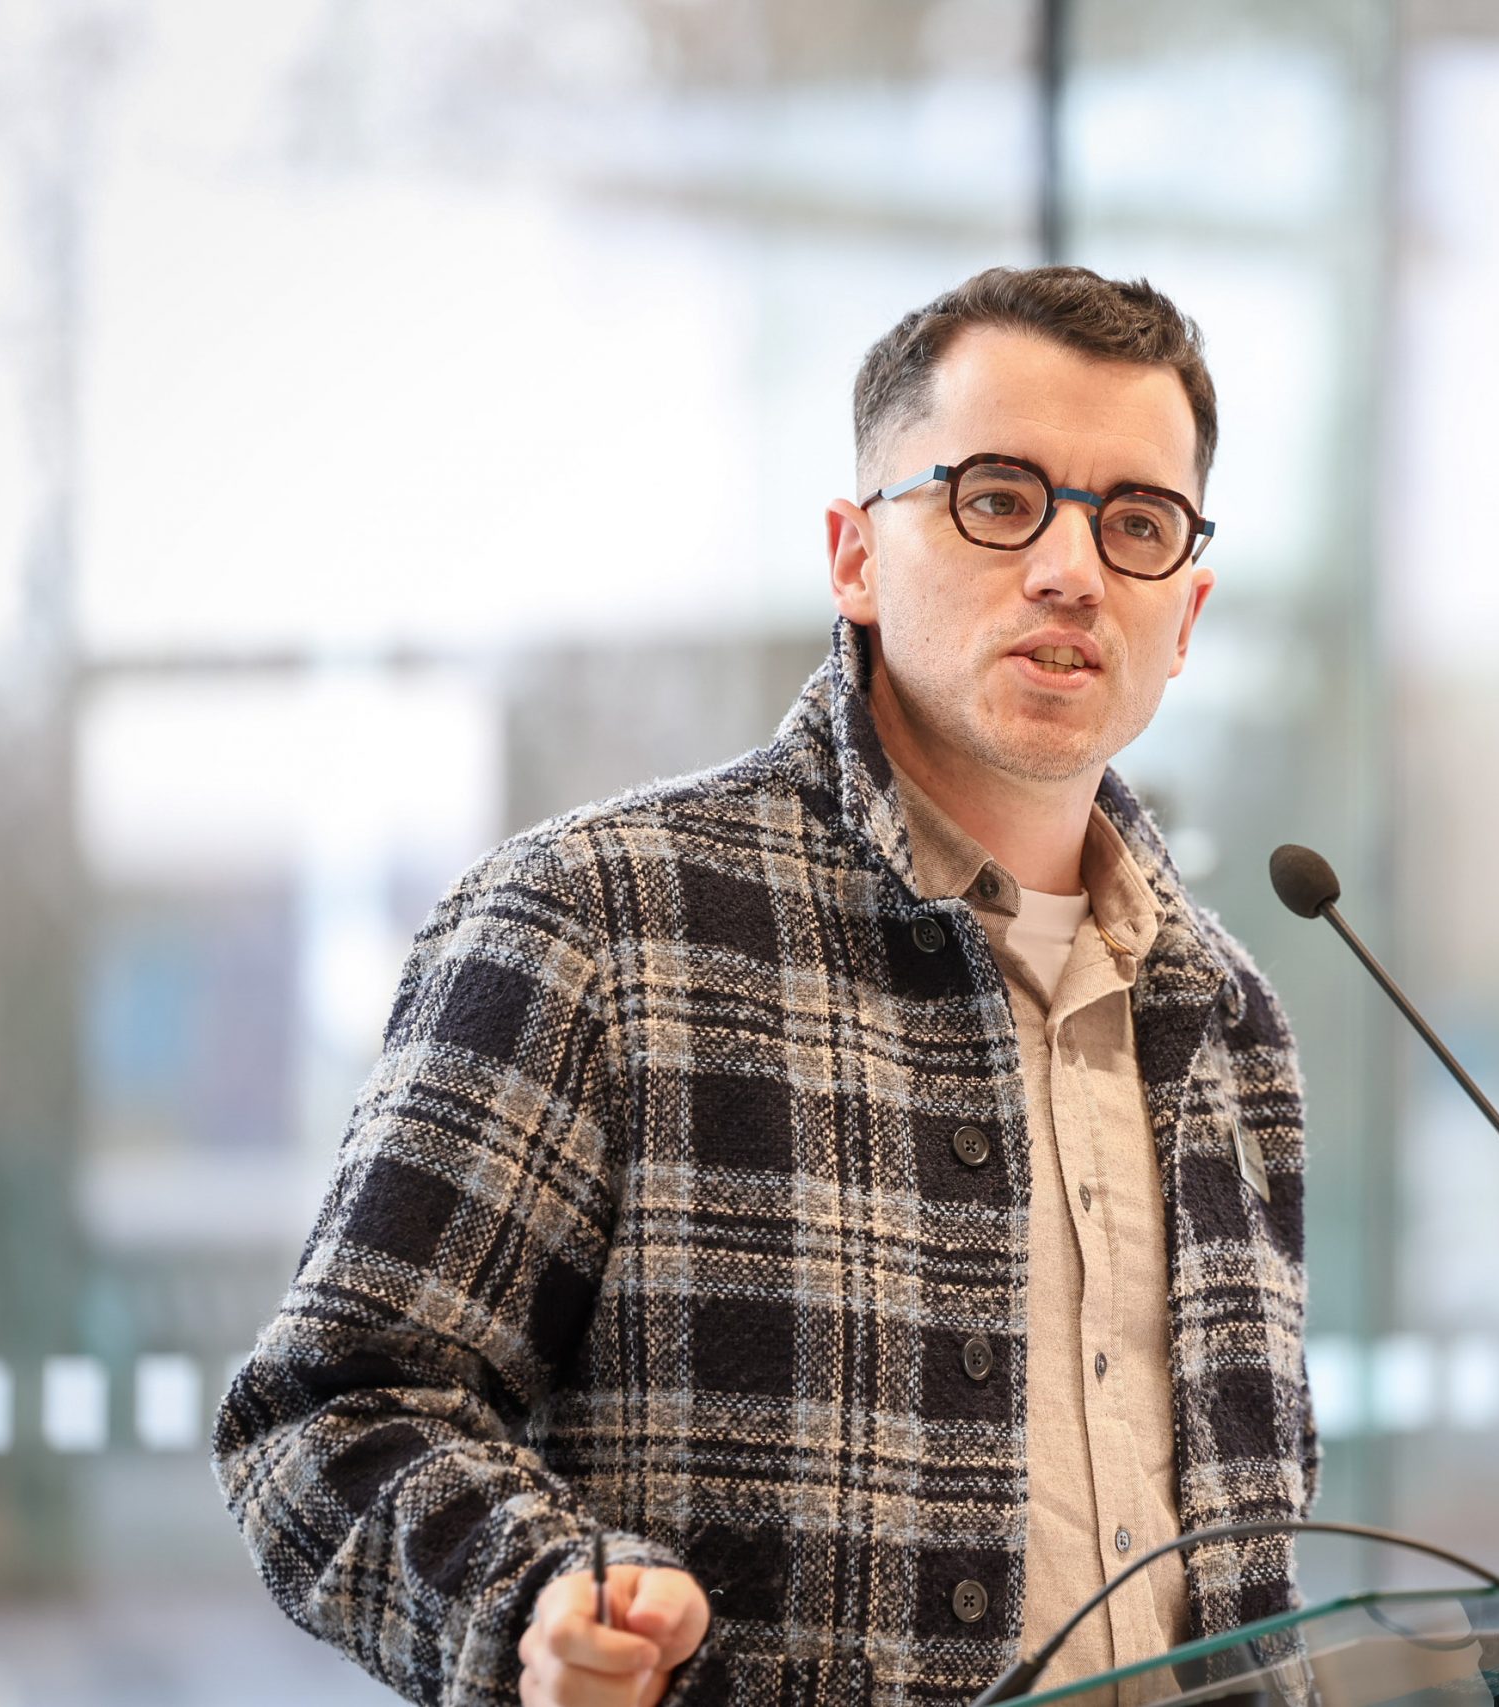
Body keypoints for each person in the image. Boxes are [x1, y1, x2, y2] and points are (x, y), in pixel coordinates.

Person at [214, 265, 1318, 1707]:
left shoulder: (1231, 1026)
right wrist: (537, 1600)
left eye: (1137, 523)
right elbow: (326, 1414)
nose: (1072, 570)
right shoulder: (596, 923)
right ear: (854, 555)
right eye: (999, 498)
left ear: (1190, 608)